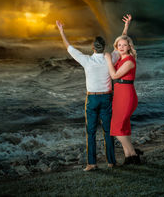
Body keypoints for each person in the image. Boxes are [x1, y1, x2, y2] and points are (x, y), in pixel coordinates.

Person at [55, 15, 132, 171]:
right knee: (108, 131)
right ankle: (111, 161)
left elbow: (69, 47)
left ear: (93, 47)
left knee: (90, 132)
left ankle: (91, 163)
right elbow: (120, 44)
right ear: (104, 47)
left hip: (92, 99)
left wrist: (61, 31)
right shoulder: (110, 58)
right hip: (107, 98)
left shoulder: (86, 60)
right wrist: (126, 26)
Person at [104, 32, 142, 165]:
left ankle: (133, 152)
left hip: (127, 95)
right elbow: (122, 38)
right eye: (119, 45)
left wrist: (108, 60)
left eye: (124, 45)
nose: (121, 47)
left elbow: (114, 75)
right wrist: (126, 27)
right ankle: (128, 157)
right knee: (124, 127)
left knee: (116, 128)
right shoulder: (119, 58)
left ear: (129, 47)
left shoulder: (130, 61)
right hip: (119, 95)